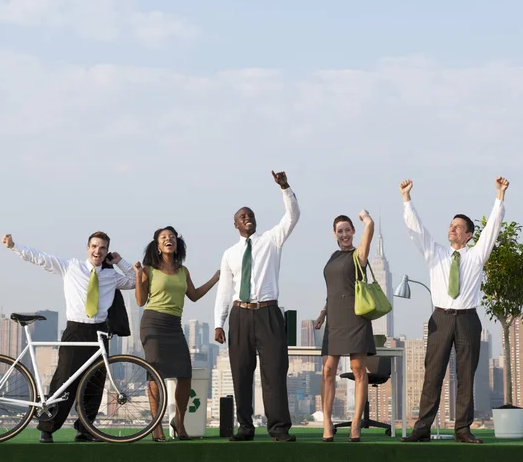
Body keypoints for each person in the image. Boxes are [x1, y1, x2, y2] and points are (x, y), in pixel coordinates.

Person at [399, 177, 509, 444]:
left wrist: (499, 196)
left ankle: (463, 430)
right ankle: (422, 430)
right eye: (451, 225)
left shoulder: (476, 256)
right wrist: (406, 200)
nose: (452, 229)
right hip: (440, 319)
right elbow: (417, 229)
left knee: (465, 376)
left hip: (468, 320)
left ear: (469, 235)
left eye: (458, 227)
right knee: (432, 374)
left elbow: (492, 229)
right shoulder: (435, 253)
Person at [1, 231, 136, 443]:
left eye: (102, 248)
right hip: (75, 330)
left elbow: (134, 281)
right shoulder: (72, 267)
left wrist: (120, 261)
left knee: (95, 382)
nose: (97, 251)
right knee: (63, 381)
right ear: (87, 247)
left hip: (100, 331)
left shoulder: (111, 276)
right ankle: (47, 428)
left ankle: (86, 430)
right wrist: (14, 246)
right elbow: (41, 258)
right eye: (94, 246)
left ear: (107, 251)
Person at [214, 170, 300, 442]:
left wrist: (285, 188)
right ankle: (245, 427)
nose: (247, 218)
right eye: (242, 216)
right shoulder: (230, 253)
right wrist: (219, 322)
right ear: (235, 224)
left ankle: (278, 429)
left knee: (274, 370)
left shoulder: (271, 240)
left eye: (250, 215)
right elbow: (224, 290)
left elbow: (292, 216)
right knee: (241, 372)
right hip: (240, 315)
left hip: (268, 313)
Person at [134, 226, 219, 442]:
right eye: (164, 237)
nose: (168, 239)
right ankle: (156, 426)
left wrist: (215, 278)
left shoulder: (183, 271)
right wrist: (137, 276)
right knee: (155, 374)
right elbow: (140, 301)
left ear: (177, 243)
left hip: (174, 324)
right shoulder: (149, 269)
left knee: (185, 374)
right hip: (152, 323)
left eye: (172, 237)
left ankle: (179, 423)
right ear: (157, 245)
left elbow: (194, 295)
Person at [317, 212, 375, 442]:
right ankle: (327, 423)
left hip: (356, 318)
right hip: (334, 319)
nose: (344, 235)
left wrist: (367, 220)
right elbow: (333, 289)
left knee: (358, 369)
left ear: (353, 232)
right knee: (328, 370)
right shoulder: (332, 257)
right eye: (339, 231)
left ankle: (355, 424)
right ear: (335, 234)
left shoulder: (358, 255)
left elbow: (368, 235)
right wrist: (323, 313)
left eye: (347, 230)